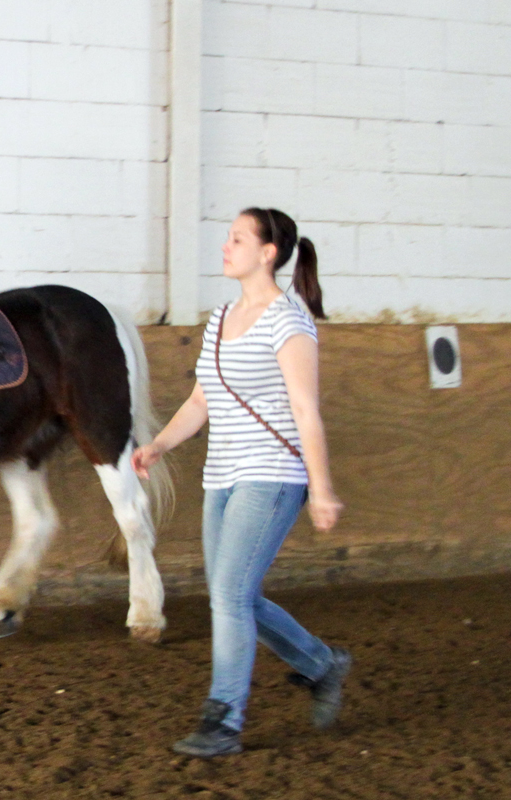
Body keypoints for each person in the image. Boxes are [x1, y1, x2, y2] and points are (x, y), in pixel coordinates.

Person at [131, 207, 350, 758]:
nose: (225, 247)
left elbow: (306, 409)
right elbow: (203, 399)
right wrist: (160, 444)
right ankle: (322, 665)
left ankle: (224, 719)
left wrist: (320, 488)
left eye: (236, 239)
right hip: (222, 474)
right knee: (234, 595)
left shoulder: (289, 321)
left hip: (272, 475)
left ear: (268, 252)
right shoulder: (221, 317)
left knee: (229, 595)